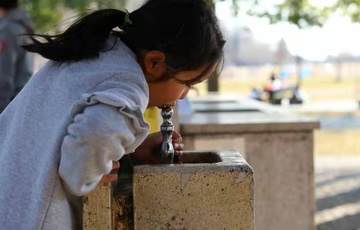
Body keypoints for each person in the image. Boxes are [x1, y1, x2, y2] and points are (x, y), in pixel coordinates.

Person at [0, 0, 225, 229]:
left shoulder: (97, 52)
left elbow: (65, 134)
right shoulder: (129, 86)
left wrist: (129, 151)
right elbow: (93, 139)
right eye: (187, 83)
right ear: (155, 62)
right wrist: (88, 174)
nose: (185, 95)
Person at [0, 0, 34, 113]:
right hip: (18, 103)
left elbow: (3, 79)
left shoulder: (7, 29)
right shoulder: (20, 24)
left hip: (8, 107)